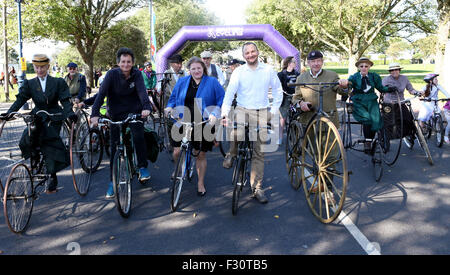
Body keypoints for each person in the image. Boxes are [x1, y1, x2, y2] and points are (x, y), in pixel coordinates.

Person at [4, 54, 77, 194]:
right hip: (38, 115)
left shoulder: (58, 82)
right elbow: (20, 100)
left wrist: (69, 113)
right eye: (37, 67)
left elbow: (65, 101)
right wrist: (10, 113)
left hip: (54, 115)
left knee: (48, 140)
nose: (39, 70)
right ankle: (34, 157)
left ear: (48, 67)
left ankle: (52, 176)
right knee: (28, 135)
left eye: (42, 67)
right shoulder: (30, 84)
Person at [221, 42, 283, 204]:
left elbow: (277, 91)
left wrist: (274, 111)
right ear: (243, 56)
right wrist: (224, 112)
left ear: (257, 52)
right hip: (242, 109)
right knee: (236, 133)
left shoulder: (268, 70)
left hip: (262, 111)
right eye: (247, 53)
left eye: (252, 51)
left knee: (258, 152)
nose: (250, 55)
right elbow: (230, 93)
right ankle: (232, 154)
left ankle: (257, 188)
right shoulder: (239, 72)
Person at [90, 47, 152, 199]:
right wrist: (94, 114)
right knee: (114, 146)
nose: (126, 64)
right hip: (116, 113)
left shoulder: (137, 74)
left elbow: (142, 93)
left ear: (132, 63)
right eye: (123, 61)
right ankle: (112, 181)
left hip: (134, 110)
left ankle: (142, 166)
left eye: (129, 61)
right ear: (118, 62)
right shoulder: (111, 74)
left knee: (138, 135)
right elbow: (101, 94)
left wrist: (146, 107)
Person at [164, 56, 225, 196]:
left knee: (200, 154)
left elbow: (222, 99)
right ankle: (179, 169)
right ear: (189, 70)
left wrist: (215, 113)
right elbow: (173, 98)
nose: (196, 71)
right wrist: (169, 107)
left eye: (199, 68)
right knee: (177, 151)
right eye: (193, 68)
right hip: (182, 118)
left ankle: (200, 183)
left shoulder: (212, 82)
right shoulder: (182, 81)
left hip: (202, 121)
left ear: (203, 68)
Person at [340, 57, 396, 153]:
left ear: (369, 67)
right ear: (358, 67)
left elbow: (380, 88)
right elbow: (348, 87)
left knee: (376, 119)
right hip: (359, 101)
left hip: (371, 101)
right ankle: (367, 142)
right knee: (367, 118)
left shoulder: (374, 76)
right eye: (361, 66)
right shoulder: (354, 77)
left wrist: (388, 89)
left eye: (366, 66)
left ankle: (370, 140)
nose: (364, 68)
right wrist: (345, 88)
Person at [381, 63, 421, 145]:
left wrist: (416, 93)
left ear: (399, 70)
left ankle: (408, 134)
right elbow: (381, 89)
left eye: (396, 69)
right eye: (392, 70)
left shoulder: (404, 78)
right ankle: (387, 138)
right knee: (388, 121)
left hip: (401, 102)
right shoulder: (386, 79)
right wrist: (388, 89)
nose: (394, 71)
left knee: (408, 119)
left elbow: (410, 89)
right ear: (390, 72)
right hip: (389, 103)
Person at [277, 56, 300, 144]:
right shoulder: (281, 74)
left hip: (295, 97)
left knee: (297, 115)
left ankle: (295, 134)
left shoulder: (297, 74)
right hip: (285, 96)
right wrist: (282, 91)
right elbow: (277, 86)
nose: (295, 63)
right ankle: (280, 137)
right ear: (289, 63)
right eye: (294, 62)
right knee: (283, 117)